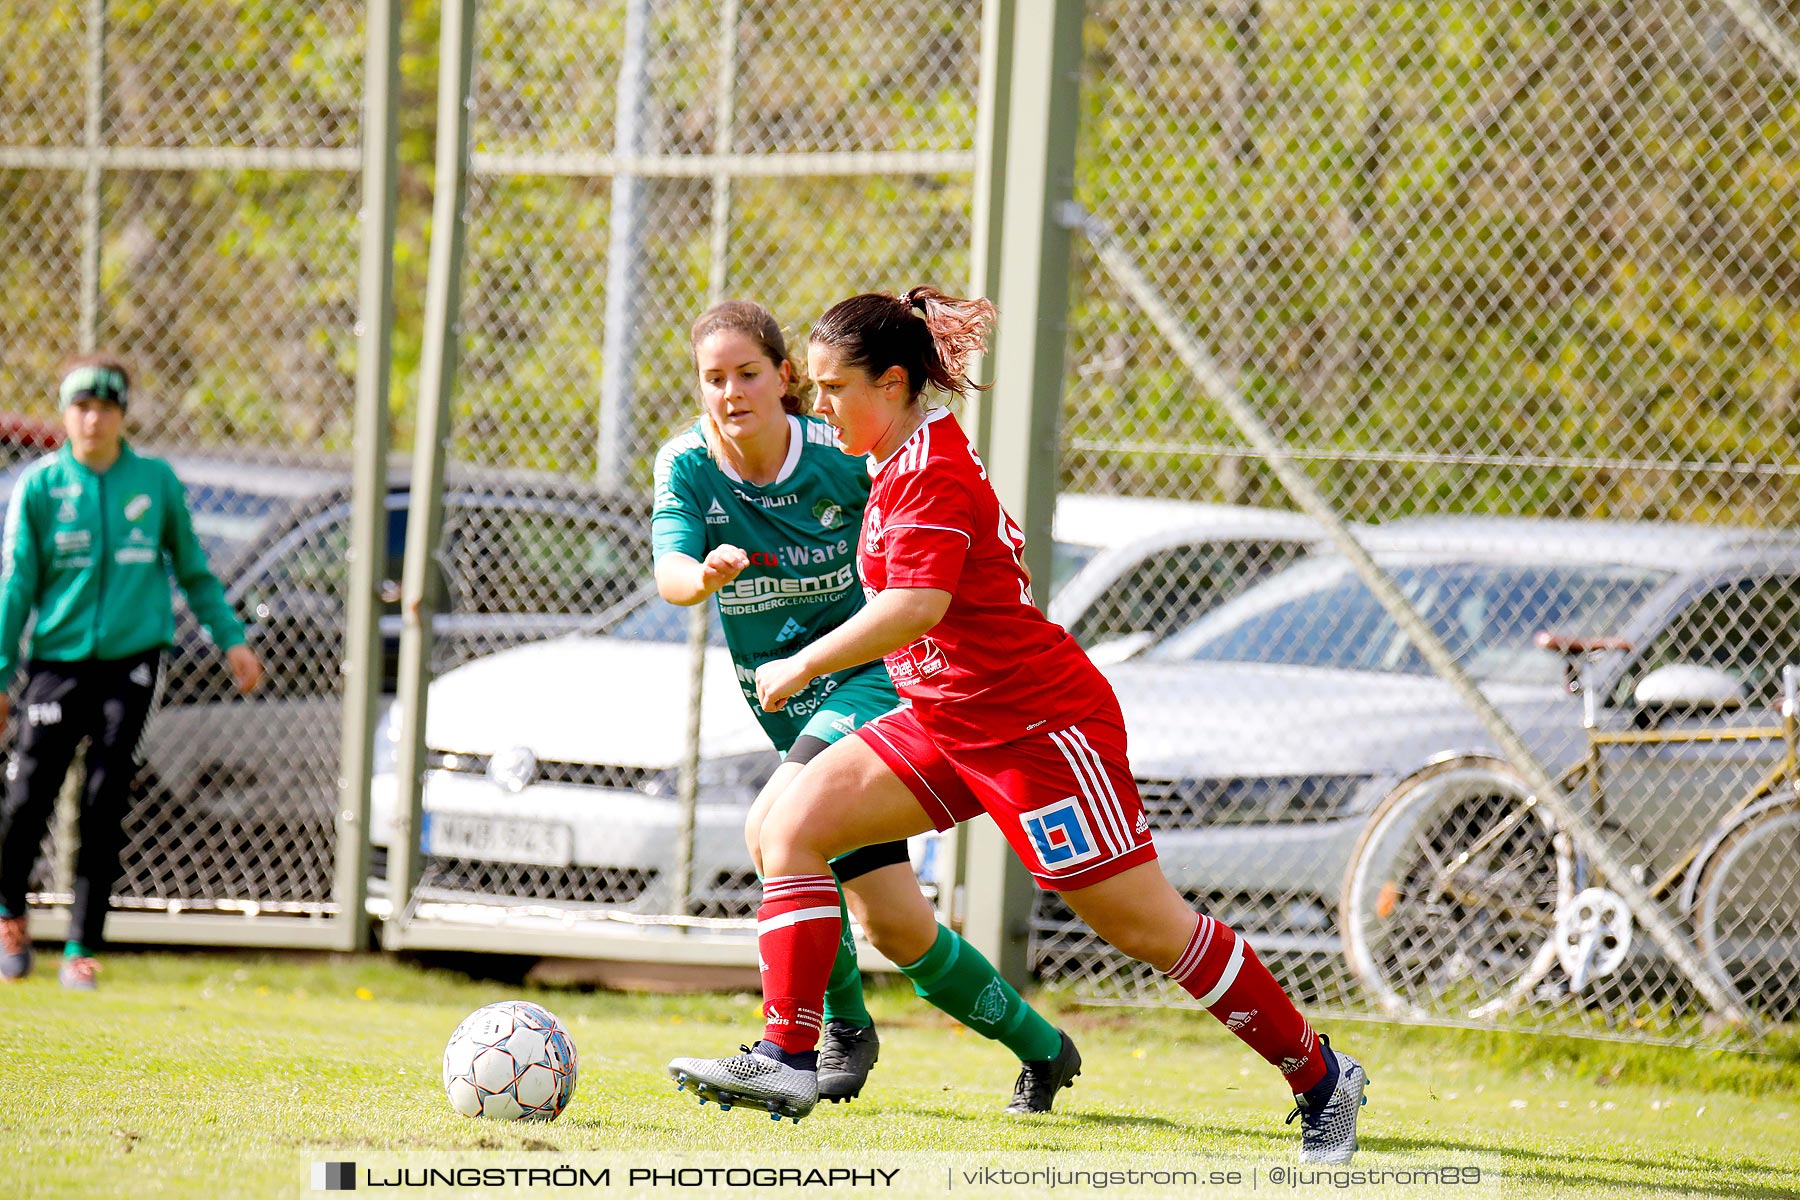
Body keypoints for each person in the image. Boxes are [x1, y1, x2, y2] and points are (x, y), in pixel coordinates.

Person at [668, 289, 1369, 1162]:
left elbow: (916, 605)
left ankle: (1319, 1075)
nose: (818, 405)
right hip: (944, 716)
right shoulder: (890, 461)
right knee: (791, 824)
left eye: (832, 386)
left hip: (1035, 728)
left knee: (1145, 927)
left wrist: (804, 663)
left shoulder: (929, 469)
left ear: (891, 385)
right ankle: (788, 1058)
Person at [652, 300, 1080, 1112]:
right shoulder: (687, 467)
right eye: (714, 379)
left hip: (872, 680)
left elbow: (927, 508)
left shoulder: (840, 450)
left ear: (786, 379)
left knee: (773, 825)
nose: (732, 392)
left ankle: (803, 1044)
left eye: (749, 373)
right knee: (895, 928)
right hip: (786, 702)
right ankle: (1044, 1047)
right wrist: (704, 576)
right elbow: (670, 574)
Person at [0, 355, 264, 990]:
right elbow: (17, 583)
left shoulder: (155, 482)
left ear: (122, 415)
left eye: (105, 408)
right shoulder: (40, 487)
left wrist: (233, 639)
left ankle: (82, 948)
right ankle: (10, 915)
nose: (93, 419)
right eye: (81, 407)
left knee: (104, 796)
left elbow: (194, 570)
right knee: (29, 795)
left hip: (133, 663)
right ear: (66, 416)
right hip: (57, 663)